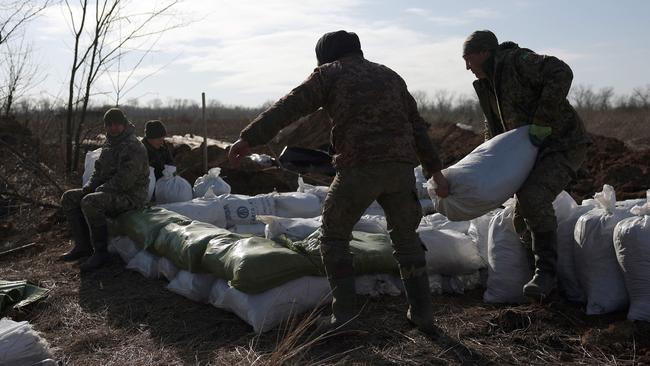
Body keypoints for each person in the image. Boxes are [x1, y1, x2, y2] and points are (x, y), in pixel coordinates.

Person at [228, 30, 449, 334]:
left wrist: (248, 139)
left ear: (325, 56)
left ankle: (344, 316)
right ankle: (423, 315)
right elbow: (418, 129)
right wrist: (435, 172)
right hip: (400, 169)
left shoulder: (329, 74)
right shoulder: (391, 76)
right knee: (407, 239)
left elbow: (290, 106)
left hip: (359, 168)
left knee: (333, 237)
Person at [462, 30, 591, 301]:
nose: (467, 67)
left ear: (484, 53)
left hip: (562, 145)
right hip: (530, 152)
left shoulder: (517, 62)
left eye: (469, 59)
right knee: (520, 218)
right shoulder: (488, 86)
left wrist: (543, 120)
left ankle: (546, 272)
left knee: (533, 196)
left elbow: (561, 71)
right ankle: (543, 284)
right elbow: (494, 129)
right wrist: (490, 165)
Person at [60, 108, 150, 271]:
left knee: (91, 201)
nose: (113, 128)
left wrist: (100, 190)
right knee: (69, 197)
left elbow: (125, 180)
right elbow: (99, 170)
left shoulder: (133, 146)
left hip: (131, 196)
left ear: (123, 124)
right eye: (109, 125)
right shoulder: (110, 142)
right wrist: (89, 187)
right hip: (110, 191)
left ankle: (101, 253)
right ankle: (82, 246)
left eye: (116, 124)